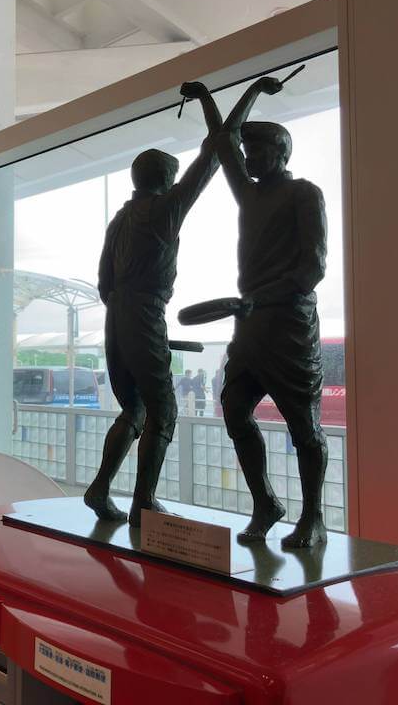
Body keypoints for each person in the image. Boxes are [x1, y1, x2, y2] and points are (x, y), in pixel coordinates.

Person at [84, 82, 223, 527]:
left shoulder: (120, 219)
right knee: (163, 411)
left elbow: (103, 283)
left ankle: (101, 488)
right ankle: (143, 501)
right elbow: (213, 154)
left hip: (117, 315)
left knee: (135, 409)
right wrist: (207, 100)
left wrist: (128, 315)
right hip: (143, 312)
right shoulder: (164, 211)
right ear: (164, 180)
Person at [216, 75, 329, 547]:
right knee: (234, 409)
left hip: (289, 324)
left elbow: (312, 268)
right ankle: (265, 502)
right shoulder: (250, 194)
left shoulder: (304, 193)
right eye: (248, 152)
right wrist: (251, 92)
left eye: (257, 151)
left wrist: (262, 298)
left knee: (304, 425)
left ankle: (313, 517)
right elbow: (223, 140)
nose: (248, 158)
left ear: (280, 153)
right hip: (251, 325)